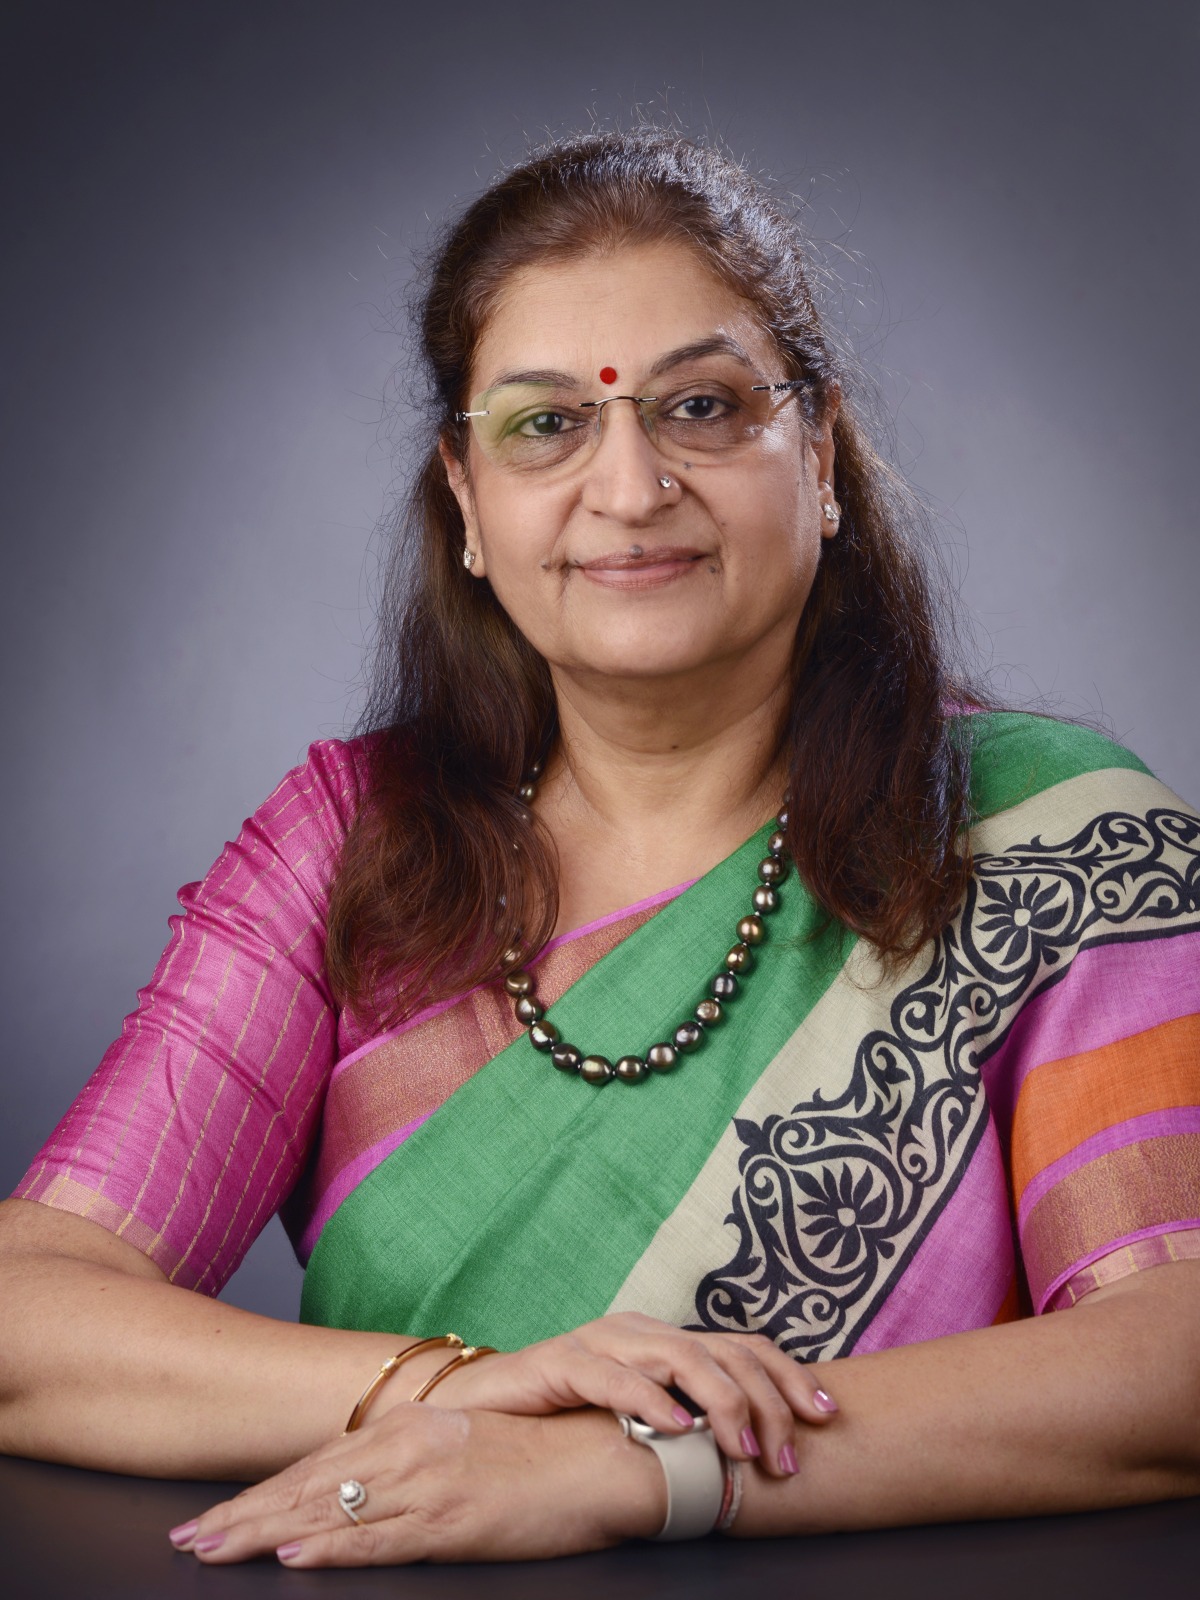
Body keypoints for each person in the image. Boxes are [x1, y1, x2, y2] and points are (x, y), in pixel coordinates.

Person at [1, 129, 1198, 1569]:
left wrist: (642, 1466)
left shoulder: (1051, 843)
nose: (629, 490)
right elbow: (30, 1315)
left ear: (819, 456)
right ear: (466, 501)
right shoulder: (352, 850)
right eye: (546, 424)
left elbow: (1174, 1356)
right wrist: (452, 1398)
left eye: (701, 407)